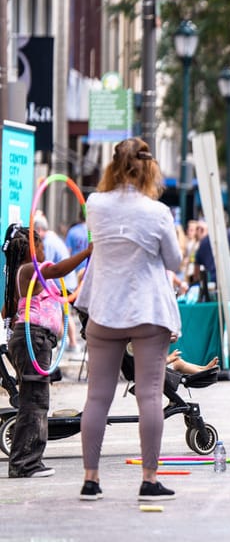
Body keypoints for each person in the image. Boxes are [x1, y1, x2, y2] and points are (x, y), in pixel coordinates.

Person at [75, 137, 183, 501]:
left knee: (97, 397)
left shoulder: (95, 204)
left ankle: (91, 479)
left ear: (112, 166)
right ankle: (149, 479)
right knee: (150, 395)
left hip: (104, 308)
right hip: (147, 310)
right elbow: (175, 262)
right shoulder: (157, 212)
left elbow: (98, 245)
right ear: (149, 167)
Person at [2, 225, 92, 478]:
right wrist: (88, 251)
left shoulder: (20, 275)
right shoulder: (32, 270)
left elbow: (7, 312)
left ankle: (26, 461)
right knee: (35, 402)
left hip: (33, 339)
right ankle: (25, 464)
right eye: (42, 246)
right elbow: (59, 269)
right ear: (33, 248)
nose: (45, 251)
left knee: (34, 401)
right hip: (34, 339)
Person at [33, 212, 81, 351]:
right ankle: (66, 341)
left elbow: (45, 266)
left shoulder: (47, 242)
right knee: (63, 314)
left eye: (35, 231)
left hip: (63, 283)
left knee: (65, 314)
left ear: (40, 229)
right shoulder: (53, 238)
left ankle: (72, 343)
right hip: (66, 281)